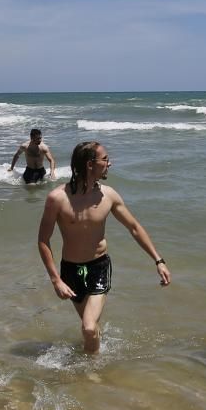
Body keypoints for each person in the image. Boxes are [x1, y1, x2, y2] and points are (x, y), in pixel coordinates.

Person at [37, 141, 172, 353]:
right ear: (90, 164)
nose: (110, 163)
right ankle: (98, 356)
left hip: (98, 268)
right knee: (90, 327)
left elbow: (134, 228)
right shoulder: (57, 198)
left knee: (88, 328)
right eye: (105, 159)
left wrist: (159, 260)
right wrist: (56, 280)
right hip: (71, 271)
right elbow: (43, 240)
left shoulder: (108, 195)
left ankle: (92, 374)